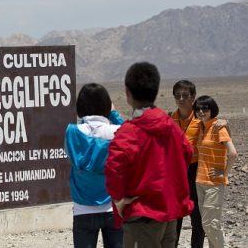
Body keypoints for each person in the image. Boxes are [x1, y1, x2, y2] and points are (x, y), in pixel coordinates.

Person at [105, 62, 194, 248]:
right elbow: (187, 152)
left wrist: (119, 200)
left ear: (128, 93)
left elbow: (114, 168)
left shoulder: (128, 132)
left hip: (142, 217)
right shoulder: (171, 126)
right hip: (169, 214)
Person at [65, 83, 125, 248]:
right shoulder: (118, 131)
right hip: (114, 207)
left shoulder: (72, 132)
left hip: (83, 208)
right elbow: (133, 133)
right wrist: (114, 114)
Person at [170, 80, 228, 248]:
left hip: (196, 172)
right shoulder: (170, 118)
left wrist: (226, 122)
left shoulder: (201, 118)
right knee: (175, 220)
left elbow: (218, 128)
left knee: (198, 220)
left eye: (185, 95)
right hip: (176, 174)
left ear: (193, 97)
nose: (181, 99)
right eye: (177, 95)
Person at [193, 95, 237, 248]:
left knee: (210, 224)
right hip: (200, 182)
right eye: (198, 109)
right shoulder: (201, 127)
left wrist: (224, 174)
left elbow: (233, 153)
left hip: (214, 183)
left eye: (205, 108)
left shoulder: (219, 127)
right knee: (209, 224)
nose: (201, 111)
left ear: (212, 109)